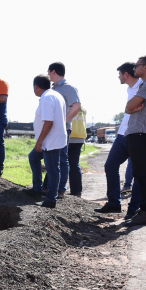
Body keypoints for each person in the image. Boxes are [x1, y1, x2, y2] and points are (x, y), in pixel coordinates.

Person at [96, 62, 146, 219]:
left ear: (125, 74)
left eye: (119, 74)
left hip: (138, 133)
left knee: (141, 172)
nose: (118, 77)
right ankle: (114, 203)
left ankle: (135, 209)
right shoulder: (131, 88)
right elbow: (128, 110)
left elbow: (134, 108)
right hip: (123, 134)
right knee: (110, 165)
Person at [25, 75, 68, 208]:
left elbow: (49, 122)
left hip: (50, 141)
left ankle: (51, 199)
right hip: (52, 139)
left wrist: (39, 142)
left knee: (53, 169)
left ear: (36, 86)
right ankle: (37, 189)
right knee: (33, 157)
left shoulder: (46, 98)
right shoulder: (55, 95)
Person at [123, 55, 146, 225]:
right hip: (139, 133)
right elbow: (129, 108)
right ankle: (145, 210)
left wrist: (131, 108)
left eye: (137, 66)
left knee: (143, 174)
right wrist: (131, 108)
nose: (134, 69)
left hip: (142, 134)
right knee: (141, 173)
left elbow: (129, 107)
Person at [45, 62, 82, 197]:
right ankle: (49, 187)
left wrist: (62, 122)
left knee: (61, 158)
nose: (48, 74)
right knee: (50, 157)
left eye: (48, 72)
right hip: (49, 129)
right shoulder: (51, 90)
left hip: (62, 129)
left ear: (53, 71)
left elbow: (76, 106)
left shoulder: (69, 88)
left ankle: (60, 189)